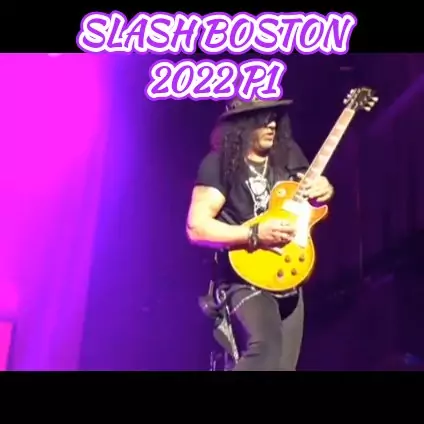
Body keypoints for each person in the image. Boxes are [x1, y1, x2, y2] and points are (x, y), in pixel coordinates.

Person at [186, 97, 334, 371]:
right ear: (241, 125)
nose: (271, 125)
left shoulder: (287, 154)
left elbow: (309, 195)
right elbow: (197, 227)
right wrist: (254, 233)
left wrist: (324, 188)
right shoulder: (219, 164)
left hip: (288, 272)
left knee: (284, 367)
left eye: (274, 117)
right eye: (262, 119)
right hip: (243, 276)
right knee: (265, 350)